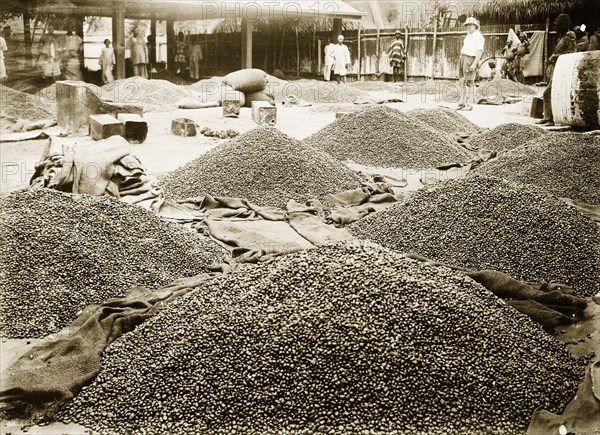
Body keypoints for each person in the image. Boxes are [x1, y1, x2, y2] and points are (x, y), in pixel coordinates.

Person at [536, 14, 577, 126]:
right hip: (557, 69)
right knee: (549, 93)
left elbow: (571, 53)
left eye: (558, 25)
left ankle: (550, 119)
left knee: (548, 93)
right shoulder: (562, 37)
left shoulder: (570, 36)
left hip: (563, 70)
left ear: (563, 25)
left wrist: (554, 56)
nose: (556, 27)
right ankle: (547, 117)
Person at [456, 17, 484, 111]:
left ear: (475, 26)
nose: (468, 27)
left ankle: (470, 104)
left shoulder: (479, 37)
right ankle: (462, 102)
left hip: (470, 59)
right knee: (462, 80)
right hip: (463, 58)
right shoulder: (468, 35)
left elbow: (479, 51)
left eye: (470, 25)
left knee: (470, 82)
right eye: (467, 25)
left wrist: (474, 64)